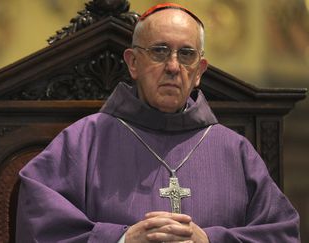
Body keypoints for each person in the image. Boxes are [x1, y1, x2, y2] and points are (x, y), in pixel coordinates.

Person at [16, 2, 300, 242]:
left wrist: (211, 240)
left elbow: (281, 231)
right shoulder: (83, 140)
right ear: (133, 63)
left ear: (199, 70)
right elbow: (37, 223)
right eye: (159, 51)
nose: (174, 67)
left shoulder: (236, 151)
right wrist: (122, 239)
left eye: (186, 54)